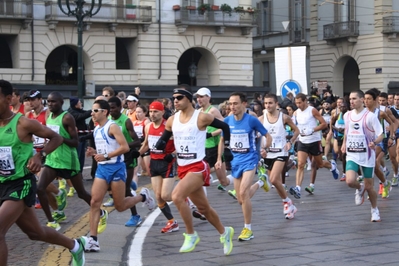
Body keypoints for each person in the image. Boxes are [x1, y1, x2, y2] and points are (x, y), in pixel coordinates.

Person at [0, 80, 85, 266]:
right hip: (2, 183)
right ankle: (76, 245)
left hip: (20, 184)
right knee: (35, 233)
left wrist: (40, 155)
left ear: (8, 99)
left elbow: (56, 137)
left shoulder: (23, 123)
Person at [155, 87, 234, 255]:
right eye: (174, 98)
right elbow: (164, 138)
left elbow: (225, 127)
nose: (175, 100)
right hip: (183, 167)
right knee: (204, 209)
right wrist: (161, 145)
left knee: (176, 196)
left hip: (198, 166)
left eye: (179, 97)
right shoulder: (172, 120)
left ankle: (191, 234)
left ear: (189, 100)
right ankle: (224, 231)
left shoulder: (202, 117)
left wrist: (226, 148)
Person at [83, 99, 155, 252]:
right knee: (95, 202)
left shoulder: (113, 127)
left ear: (104, 112)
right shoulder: (96, 129)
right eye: (92, 111)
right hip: (102, 169)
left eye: (95, 111)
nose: (92, 114)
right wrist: (94, 153)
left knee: (120, 206)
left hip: (116, 168)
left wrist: (107, 156)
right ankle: (93, 240)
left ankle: (142, 196)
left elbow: (124, 147)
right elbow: (104, 150)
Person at [36, 92, 102, 232]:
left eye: (53, 101)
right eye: (48, 101)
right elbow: (50, 137)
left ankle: (101, 212)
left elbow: (75, 142)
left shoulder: (67, 117)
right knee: (40, 188)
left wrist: (59, 139)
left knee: (81, 193)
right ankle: (52, 221)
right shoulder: (49, 116)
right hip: (53, 160)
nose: (50, 104)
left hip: (68, 161)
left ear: (61, 103)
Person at [220, 92, 271, 241]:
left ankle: (248, 229)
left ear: (244, 104)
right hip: (236, 162)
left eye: (235, 103)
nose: (232, 106)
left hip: (250, 159)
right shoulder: (227, 120)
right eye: (230, 103)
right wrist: (219, 158)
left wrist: (265, 149)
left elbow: (268, 136)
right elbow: (222, 140)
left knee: (243, 192)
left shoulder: (251, 120)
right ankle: (261, 182)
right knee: (241, 199)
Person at [341, 90, 384, 222]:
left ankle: (374, 210)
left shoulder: (370, 116)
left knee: (369, 187)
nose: (351, 101)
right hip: (352, 153)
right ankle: (359, 188)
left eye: (354, 99)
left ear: (362, 100)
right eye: (350, 99)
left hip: (367, 155)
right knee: (349, 181)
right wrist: (343, 143)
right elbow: (347, 131)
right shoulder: (347, 115)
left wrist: (375, 142)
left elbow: (381, 134)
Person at [289, 93, 340, 199]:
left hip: (314, 141)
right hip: (302, 141)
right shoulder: (296, 113)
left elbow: (324, 124)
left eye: (299, 103)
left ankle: (332, 166)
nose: (298, 105)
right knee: (301, 164)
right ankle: (298, 188)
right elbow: (294, 126)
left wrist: (312, 130)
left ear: (305, 101)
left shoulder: (312, 110)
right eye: (296, 103)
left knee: (320, 164)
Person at [139, 101, 179, 233]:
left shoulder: (169, 126)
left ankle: (185, 197)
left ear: (162, 112)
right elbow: (146, 144)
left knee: (166, 195)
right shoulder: (148, 126)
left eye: (155, 111)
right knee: (158, 197)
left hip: (167, 163)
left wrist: (173, 155)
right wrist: (136, 154)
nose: (152, 114)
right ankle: (172, 222)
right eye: (150, 111)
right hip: (154, 163)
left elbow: (181, 144)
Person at [259, 93, 299, 219]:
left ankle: (287, 203)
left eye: (270, 103)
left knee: (274, 179)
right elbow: (258, 136)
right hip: (268, 153)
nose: (268, 105)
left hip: (281, 152)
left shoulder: (284, 117)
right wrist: (261, 149)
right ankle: (288, 202)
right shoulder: (261, 119)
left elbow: (296, 131)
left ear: (276, 104)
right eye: (265, 103)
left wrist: (290, 142)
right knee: (274, 182)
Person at [108, 96, 142, 227]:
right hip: (114, 159)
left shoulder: (126, 121)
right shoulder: (108, 122)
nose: (111, 111)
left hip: (127, 158)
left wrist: (124, 146)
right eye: (109, 108)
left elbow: (137, 142)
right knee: (109, 186)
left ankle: (135, 216)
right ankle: (132, 183)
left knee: (125, 190)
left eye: (113, 108)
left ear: (120, 108)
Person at [194, 87, 233, 192]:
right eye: (197, 97)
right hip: (203, 148)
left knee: (224, 182)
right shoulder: (198, 111)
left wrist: (211, 134)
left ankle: (237, 176)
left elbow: (225, 127)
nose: (199, 99)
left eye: (201, 97)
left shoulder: (213, 111)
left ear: (208, 97)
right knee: (198, 175)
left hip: (215, 148)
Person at [67, 97, 92, 174]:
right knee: (76, 157)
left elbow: (85, 113)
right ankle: (75, 174)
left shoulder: (78, 111)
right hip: (77, 138)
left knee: (81, 157)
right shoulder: (71, 112)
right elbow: (82, 116)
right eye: (79, 102)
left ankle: (79, 173)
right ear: (75, 105)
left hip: (83, 137)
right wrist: (93, 111)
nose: (81, 104)